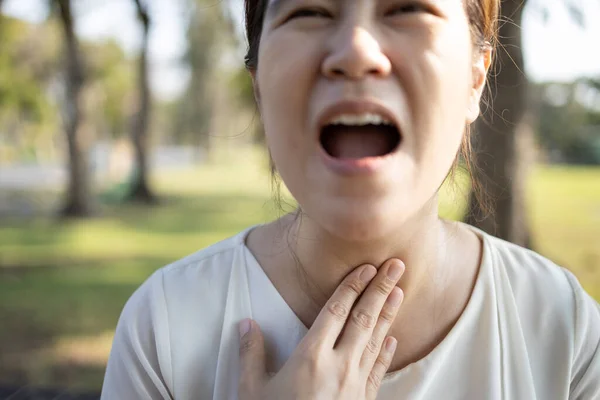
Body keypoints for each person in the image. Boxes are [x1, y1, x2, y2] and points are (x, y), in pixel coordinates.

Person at [100, 0, 600, 399]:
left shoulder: (565, 327)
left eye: (408, 8)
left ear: (475, 77)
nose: (357, 50)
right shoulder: (163, 328)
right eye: (309, 11)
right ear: (258, 84)